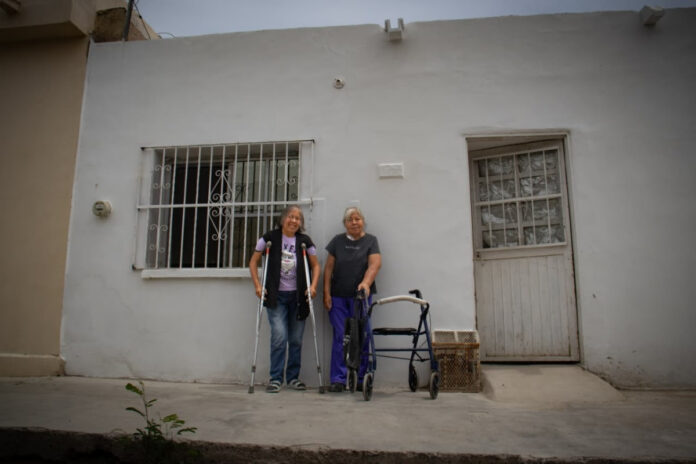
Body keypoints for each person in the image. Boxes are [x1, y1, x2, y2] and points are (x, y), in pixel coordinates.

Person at [249, 205, 320, 393]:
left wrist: (313, 286)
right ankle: (275, 378)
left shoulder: (305, 241)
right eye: (291, 216)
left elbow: (315, 265)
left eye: (298, 218)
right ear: (282, 219)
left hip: (298, 297)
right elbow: (253, 262)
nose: (294, 221)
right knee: (279, 337)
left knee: (296, 339)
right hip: (276, 296)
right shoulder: (269, 238)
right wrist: (258, 285)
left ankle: (293, 378)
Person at [323, 206, 381, 392]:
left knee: (362, 335)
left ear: (363, 221)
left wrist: (365, 283)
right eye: (350, 220)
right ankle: (338, 379)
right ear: (345, 223)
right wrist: (326, 293)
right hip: (338, 297)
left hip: (360, 297)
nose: (354, 222)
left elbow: (375, 264)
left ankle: (361, 378)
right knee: (341, 336)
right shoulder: (337, 241)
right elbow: (328, 268)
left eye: (357, 219)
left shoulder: (371, 241)